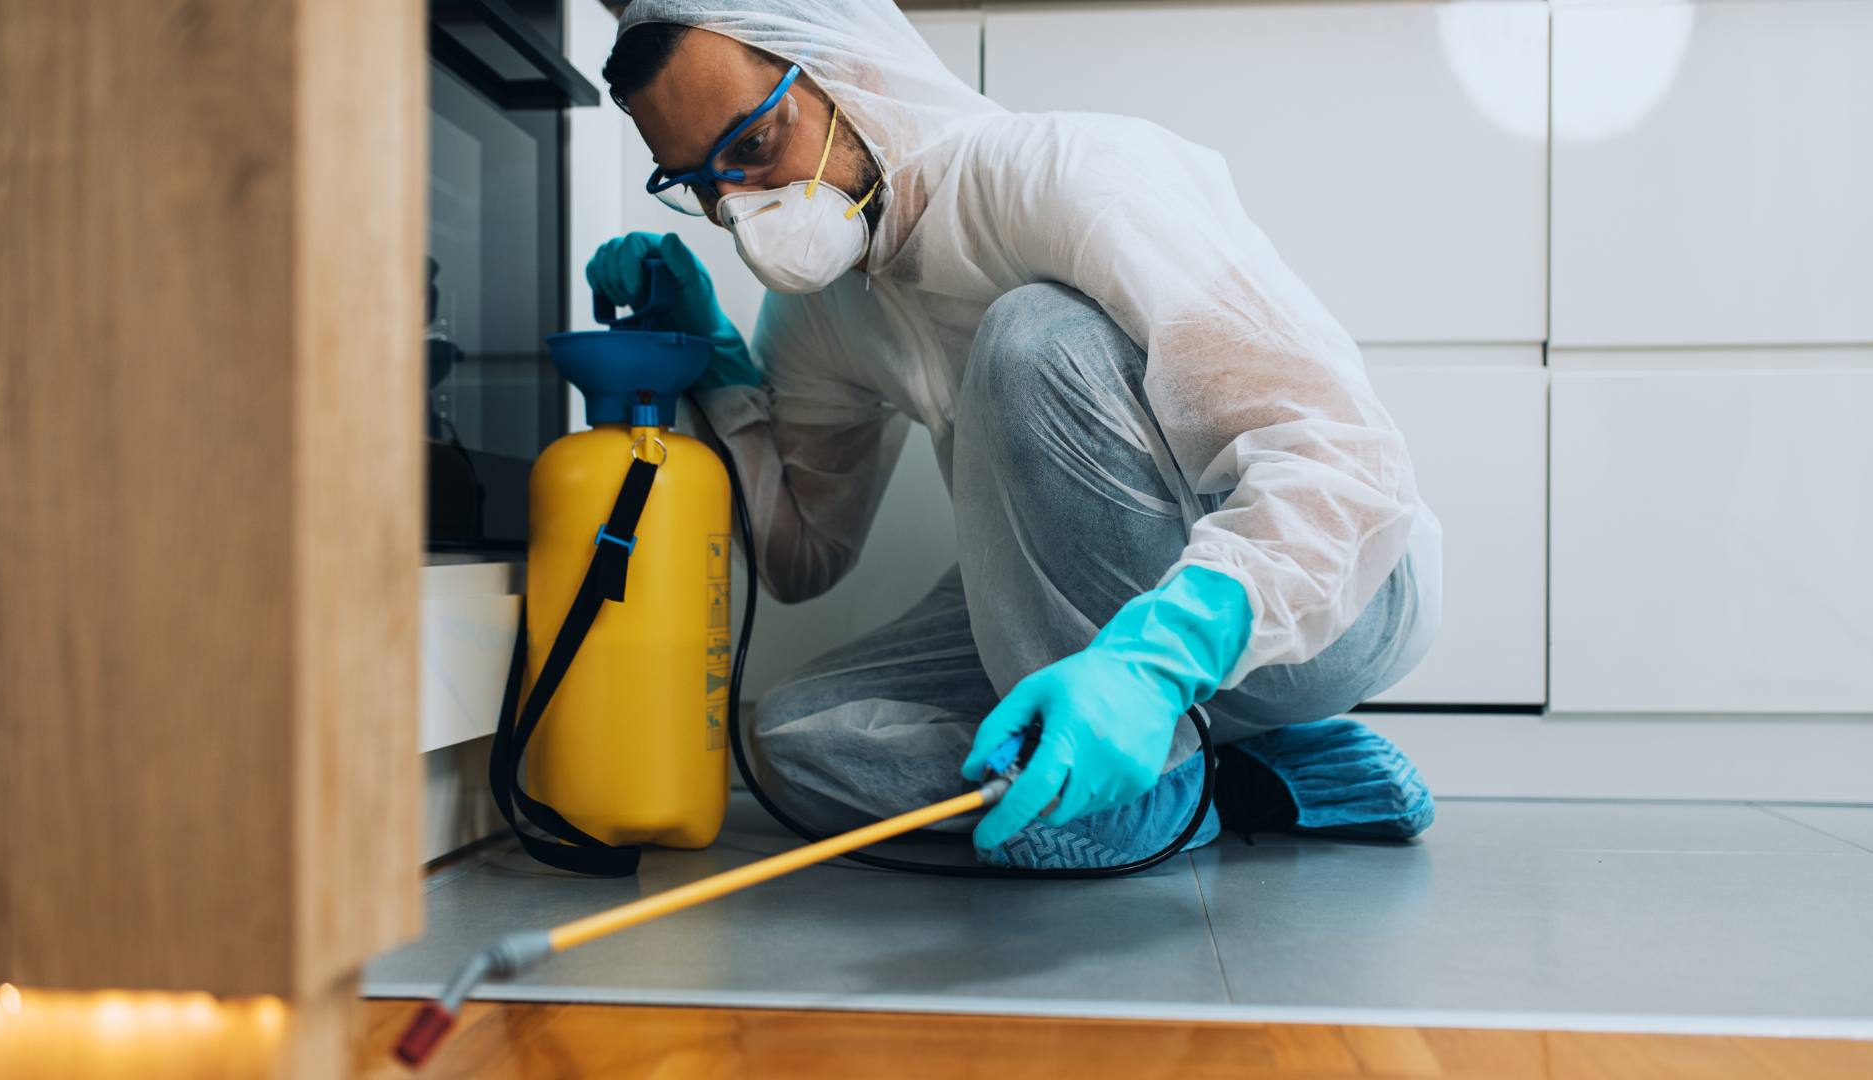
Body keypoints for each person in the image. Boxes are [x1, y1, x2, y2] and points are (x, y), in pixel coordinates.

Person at [585, 0, 1444, 870]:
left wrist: (1155, 662)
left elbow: (1344, 459)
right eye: (699, 184)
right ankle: (1241, 781)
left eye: (756, 149)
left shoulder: (1067, 177)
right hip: (1075, 627)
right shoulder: (824, 313)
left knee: (1031, 335)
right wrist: (721, 372)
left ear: (851, 70)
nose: (742, 211)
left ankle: (1143, 775)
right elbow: (803, 557)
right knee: (803, 735)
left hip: (1316, 606)